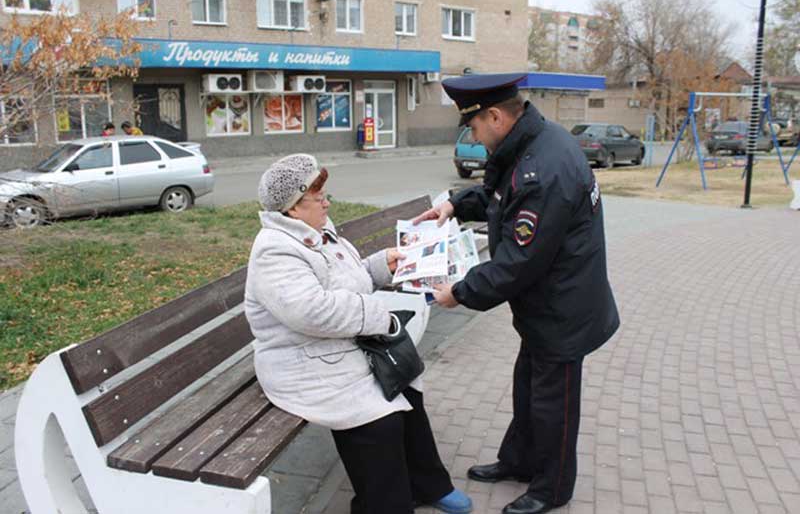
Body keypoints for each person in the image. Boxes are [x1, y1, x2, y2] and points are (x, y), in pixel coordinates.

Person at [412, 74, 620, 514]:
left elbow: (519, 262)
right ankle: (520, 460)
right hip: (546, 305)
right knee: (529, 388)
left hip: (563, 311)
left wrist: (460, 293)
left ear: (495, 116)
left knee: (554, 404)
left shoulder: (544, 169)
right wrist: (454, 204)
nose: (473, 137)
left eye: (473, 128)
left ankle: (552, 488)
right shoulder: (529, 143)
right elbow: (496, 195)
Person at [244, 154, 472, 514]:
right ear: (292, 209)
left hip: (337, 347)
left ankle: (427, 484)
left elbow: (346, 280)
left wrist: (382, 265)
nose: (327, 202)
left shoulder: (316, 231)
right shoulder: (275, 250)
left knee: (408, 386)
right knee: (379, 420)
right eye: (318, 198)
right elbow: (313, 311)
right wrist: (380, 316)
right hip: (302, 362)